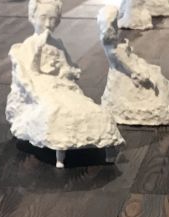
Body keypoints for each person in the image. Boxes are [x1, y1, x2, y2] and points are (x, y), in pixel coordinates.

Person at [6, 0, 124, 168]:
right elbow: (27, 73)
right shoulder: (28, 46)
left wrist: (66, 71)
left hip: (62, 86)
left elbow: (70, 67)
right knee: (56, 110)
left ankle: (105, 143)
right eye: (43, 18)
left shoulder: (58, 44)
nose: (48, 24)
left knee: (91, 109)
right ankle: (60, 148)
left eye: (53, 19)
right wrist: (38, 52)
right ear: (32, 17)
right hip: (41, 86)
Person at [98, 6, 169, 126]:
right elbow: (124, 64)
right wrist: (138, 73)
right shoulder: (112, 49)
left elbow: (127, 59)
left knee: (160, 80)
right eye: (114, 23)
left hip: (132, 65)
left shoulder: (113, 44)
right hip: (126, 74)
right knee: (155, 85)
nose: (116, 26)